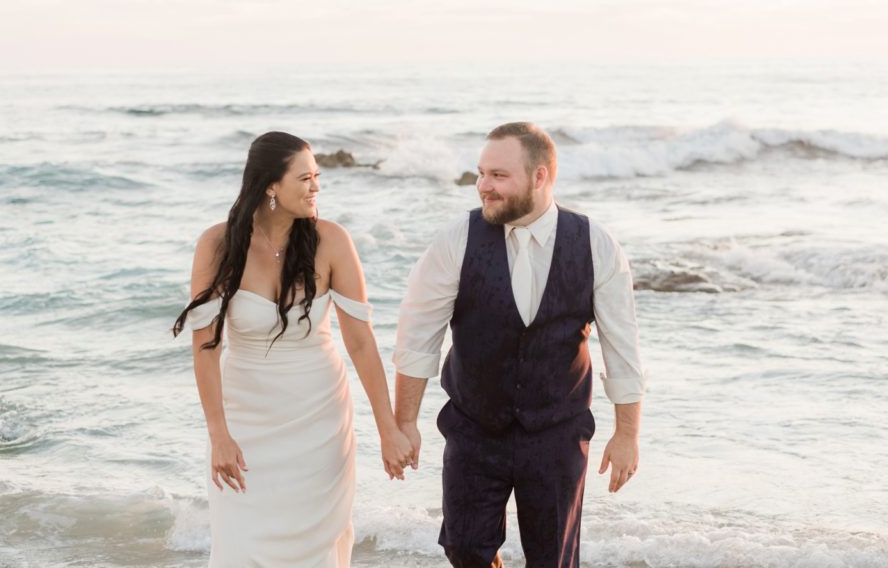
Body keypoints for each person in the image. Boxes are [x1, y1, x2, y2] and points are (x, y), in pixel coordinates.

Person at [393, 122, 646, 567]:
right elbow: (417, 334)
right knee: (465, 549)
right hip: (474, 427)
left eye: (498, 176)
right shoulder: (457, 238)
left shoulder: (596, 245)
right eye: (481, 173)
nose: (483, 187)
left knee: (553, 559)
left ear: (540, 177)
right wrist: (405, 422)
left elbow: (622, 348)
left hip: (557, 431)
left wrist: (627, 434)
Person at [173, 131, 413, 567]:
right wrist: (219, 434)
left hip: (319, 422)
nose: (316, 186)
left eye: (317, 176)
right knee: (240, 547)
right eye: (304, 178)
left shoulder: (332, 241)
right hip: (246, 422)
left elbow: (360, 342)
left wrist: (388, 428)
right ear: (270, 185)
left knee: (317, 551)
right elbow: (206, 346)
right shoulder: (217, 245)